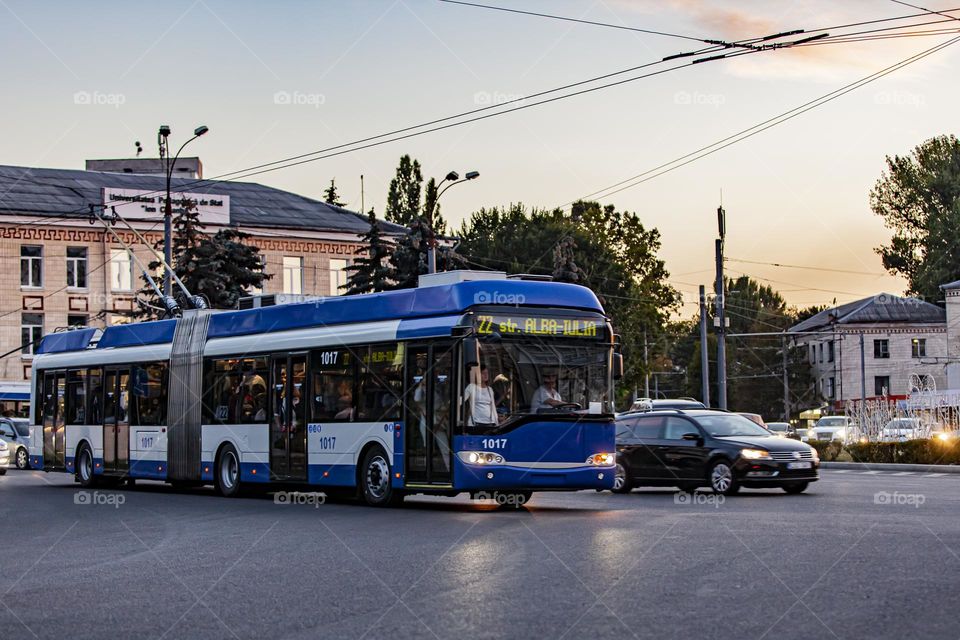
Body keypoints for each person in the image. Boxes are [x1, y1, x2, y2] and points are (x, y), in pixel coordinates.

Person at [463, 365, 498, 429]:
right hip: (476, 423)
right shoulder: (471, 387)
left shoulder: (490, 389)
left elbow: (493, 407)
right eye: (483, 373)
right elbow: (462, 400)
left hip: (490, 423)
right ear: (478, 375)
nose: (486, 375)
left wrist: (496, 422)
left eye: (486, 373)